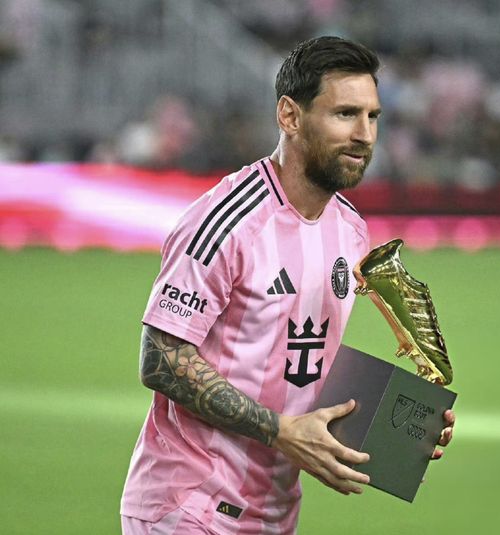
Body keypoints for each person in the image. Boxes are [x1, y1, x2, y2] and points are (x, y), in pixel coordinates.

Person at [120, 36, 455, 535]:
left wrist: (399, 424)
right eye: (345, 114)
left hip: (274, 515)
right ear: (290, 116)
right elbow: (161, 359)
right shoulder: (227, 222)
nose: (364, 135)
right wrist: (280, 431)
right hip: (188, 509)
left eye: (373, 116)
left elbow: (296, 362)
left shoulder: (350, 229)